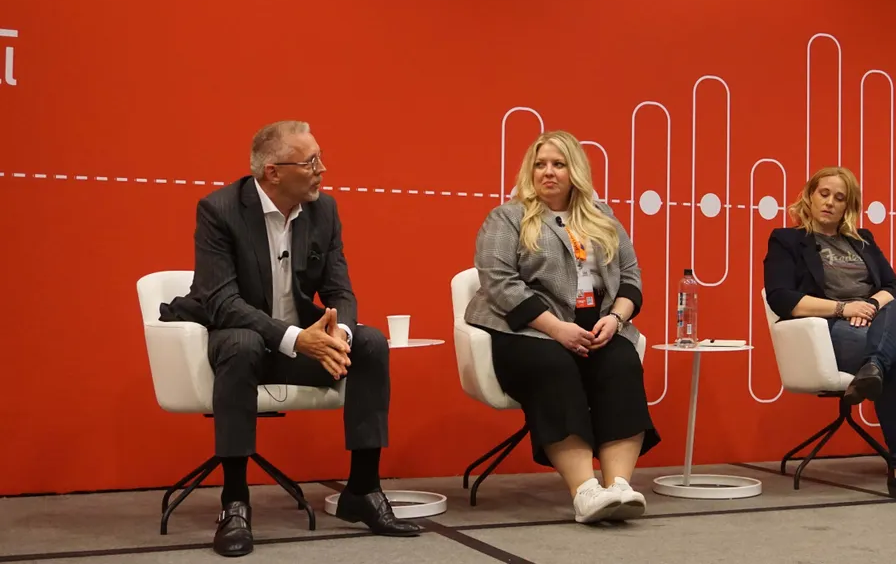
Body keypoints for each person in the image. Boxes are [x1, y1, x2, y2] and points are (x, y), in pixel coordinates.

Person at [161, 121, 419, 557]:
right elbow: (222, 301)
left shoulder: (324, 211)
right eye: (311, 161)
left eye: (319, 157)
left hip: (300, 342)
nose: (323, 169)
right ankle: (235, 503)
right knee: (242, 343)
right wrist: (297, 338)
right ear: (273, 172)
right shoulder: (219, 210)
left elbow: (339, 289)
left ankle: (363, 490)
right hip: (238, 342)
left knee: (371, 343)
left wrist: (340, 335)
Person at [465, 130, 660, 524]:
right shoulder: (507, 217)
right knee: (553, 364)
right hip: (526, 330)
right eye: (540, 164)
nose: (548, 172)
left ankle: (618, 486)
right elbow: (499, 281)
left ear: (576, 171)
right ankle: (585, 492)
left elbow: (631, 275)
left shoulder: (603, 216)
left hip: (597, 328)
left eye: (558, 164)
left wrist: (616, 318)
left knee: (621, 362)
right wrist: (556, 329)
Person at [763, 167, 896, 503]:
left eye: (840, 198)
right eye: (824, 194)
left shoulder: (863, 240)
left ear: (848, 206)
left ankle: (873, 366)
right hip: (830, 329)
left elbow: (893, 286)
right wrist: (842, 309)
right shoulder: (787, 240)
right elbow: (780, 297)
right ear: (810, 194)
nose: (830, 203)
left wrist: (870, 307)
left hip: (874, 325)